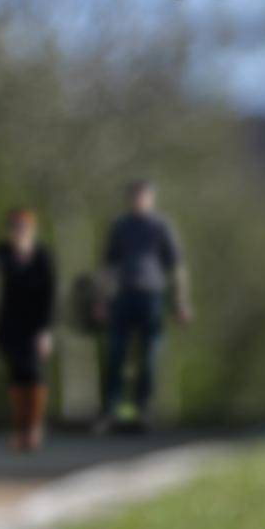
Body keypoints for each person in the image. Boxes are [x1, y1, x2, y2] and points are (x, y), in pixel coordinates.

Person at [96, 179, 191, 432]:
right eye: (135, 196)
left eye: (144, 196)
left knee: (149, 356)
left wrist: (181, 302)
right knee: (117, 352)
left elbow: (176, 267)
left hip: (152, 296)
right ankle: (112, 410)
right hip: (123, 296)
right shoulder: (120, 227)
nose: (139, 201)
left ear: (151, 199)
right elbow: (108, 267)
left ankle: (143, 409)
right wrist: (102, 300)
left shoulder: (161, 227)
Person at [0, 208, 56, 451]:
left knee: (34, 374)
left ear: (32, 230)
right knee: (17, 374)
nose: (19, 231)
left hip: (35, 325)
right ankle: (20, 430)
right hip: (9, 325)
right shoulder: (2, 253)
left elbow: (49, 295)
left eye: (23, 227)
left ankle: (34, 428)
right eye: (15, 227)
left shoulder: (42, 256)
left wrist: (46, 331)